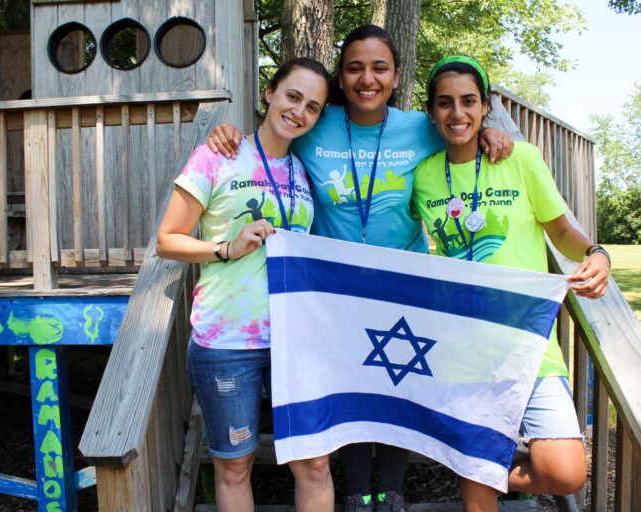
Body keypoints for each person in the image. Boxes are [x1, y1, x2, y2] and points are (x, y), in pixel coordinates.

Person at [207, 25, 515, 512]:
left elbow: (464, 129)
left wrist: (492, 132)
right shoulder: (317, 121)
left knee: (399, 380)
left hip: (404, 284)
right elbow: (268, 137)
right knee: (346, 387)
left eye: (379, 68)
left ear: (395, 77)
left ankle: (390, 488)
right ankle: (354, 491)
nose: (366, 78)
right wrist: (225, 131)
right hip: (334, 291)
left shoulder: (421, 126)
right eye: (354, 67)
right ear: (341, 76)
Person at [411, 56, 610, 512]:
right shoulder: (423, 176)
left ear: (485, 108)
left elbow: (559, 229)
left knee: (565, 472)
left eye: (468, 101)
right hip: (461, 348)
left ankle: (475, 463)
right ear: (431, 113)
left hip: (527, 341)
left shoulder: (520, 157)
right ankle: (474, 465)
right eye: (445, 103)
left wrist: (596, 253)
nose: (457, 113)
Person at [156, 57, 333, 512]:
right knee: (235, 465)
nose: (299, 111)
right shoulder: (218, 154)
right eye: (293, 96)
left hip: (296, 340)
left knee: (314, 464)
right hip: (228, 340)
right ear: (269, 93)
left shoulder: (305, 170)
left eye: (312, 106)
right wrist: (226, 248)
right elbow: (167, 241)